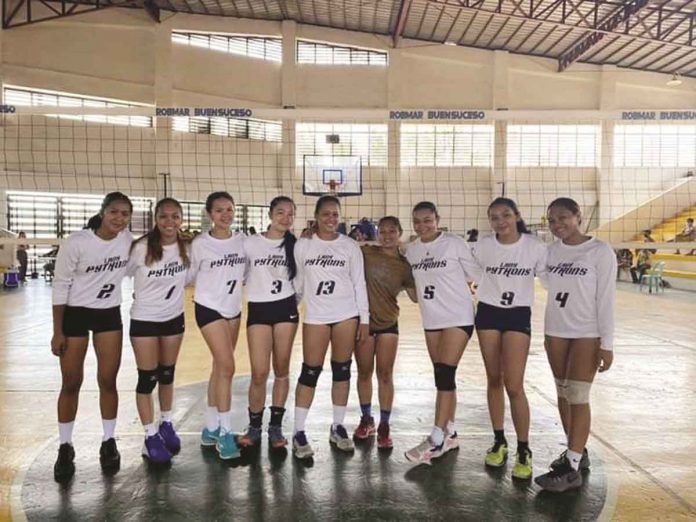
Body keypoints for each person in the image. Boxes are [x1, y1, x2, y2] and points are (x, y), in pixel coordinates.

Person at [50, 192, 133, 482]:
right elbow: (60, 286)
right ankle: (65, 445)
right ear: (102, 212)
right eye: (113, 212)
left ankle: (108, 441)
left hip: (108, 315)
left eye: (124, 214)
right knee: (71, 381)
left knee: (108, 380)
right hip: (75, 315)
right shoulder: (77, 242)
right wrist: (57, 330)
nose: (119, 218)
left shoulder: (128, 242)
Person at [535, 197, 615, 492]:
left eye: (563, 218)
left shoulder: (599, 251)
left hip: (586, 332)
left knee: (579, 395)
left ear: (578, 216)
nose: (558, 225)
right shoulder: (550, 252)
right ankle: (577, 452)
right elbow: (546, 283)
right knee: (563, 394)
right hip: (555, 330)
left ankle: (570, 467)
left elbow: (606, 299)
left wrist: (606, 343)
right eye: (552, 221)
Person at [471, 197, 547, 480]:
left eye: (505, 214)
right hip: (488, 313)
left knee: (514, 385)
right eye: (494, 217)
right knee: (494, 379)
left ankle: (524, 448)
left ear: (516, 215)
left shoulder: (535, 247)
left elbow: (551, 278)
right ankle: (499, 440)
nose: (500, 221)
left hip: (517, 315)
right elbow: (470, 271)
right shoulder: (483, 246)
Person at [291, 195, 370, 459]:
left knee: (342, 371)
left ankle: (337, 426)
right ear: (316, 216)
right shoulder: (303, 246)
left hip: (346, 314)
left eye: (335, 214)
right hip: (316, 315)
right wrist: (289, 307)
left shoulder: (349, 246)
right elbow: (299, 282)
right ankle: (298, 431)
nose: (331, 219)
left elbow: (359, 284)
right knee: (309, 372)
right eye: (326, 214)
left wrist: (365, 319)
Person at [403, 201, 478, 464]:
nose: (422, 225)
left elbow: (475, 274)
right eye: (417, 221)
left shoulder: (454, 244)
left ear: (437, 219)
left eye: (427, 220)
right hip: (431, 319)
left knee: (445, 373)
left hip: (458, 316)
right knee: (444, 376)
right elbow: (413, 291)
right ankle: (451, 432)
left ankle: (435, 438)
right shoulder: (411, 251)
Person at [127, 198, 190, 465]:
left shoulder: (186, 247)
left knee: (167, 375)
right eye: (164, 217)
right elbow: (122, 274)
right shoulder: (141, 248)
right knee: (147, 379)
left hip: (173, 319)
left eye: (175, 217)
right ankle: (150, 435)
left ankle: (166, 423)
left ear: (181, 219)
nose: (169, 222)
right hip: (144, 320)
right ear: (156, 218)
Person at [237, 196, 299, 451]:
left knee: (281, 370)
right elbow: (238, 272)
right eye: (281, 213)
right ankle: (254, 427)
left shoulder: (296, 245)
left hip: (286, 309)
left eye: (290, 214)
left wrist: (295, 301)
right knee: (259, 372)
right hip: (259, 309)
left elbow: (303, 279)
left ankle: (275, 427)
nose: (285, 218)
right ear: (270, 214)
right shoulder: (251, 243)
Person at [189, 192, 247, 460]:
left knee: (218, 368)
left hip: (233, 308)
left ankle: (210, 428)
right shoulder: (200, 244)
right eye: (220, 210)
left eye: (230, 209)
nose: (226, 214)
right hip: (208, 307)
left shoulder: (242, 241)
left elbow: (246, 272)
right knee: (227, 367)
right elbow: (187, 275)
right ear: (210, 214)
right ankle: (225, 431)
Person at [353, 216, 417, 449]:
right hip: (364, 323)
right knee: (364, 373)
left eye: (392, 231)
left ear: (400, 233)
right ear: (377, 233)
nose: (387, 235)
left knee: (385, 374)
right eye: (383, 231)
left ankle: (385, 425)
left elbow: (416, 297)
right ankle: (366, 419)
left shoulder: (404, 264)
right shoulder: (366, 253)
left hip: (389, 322)